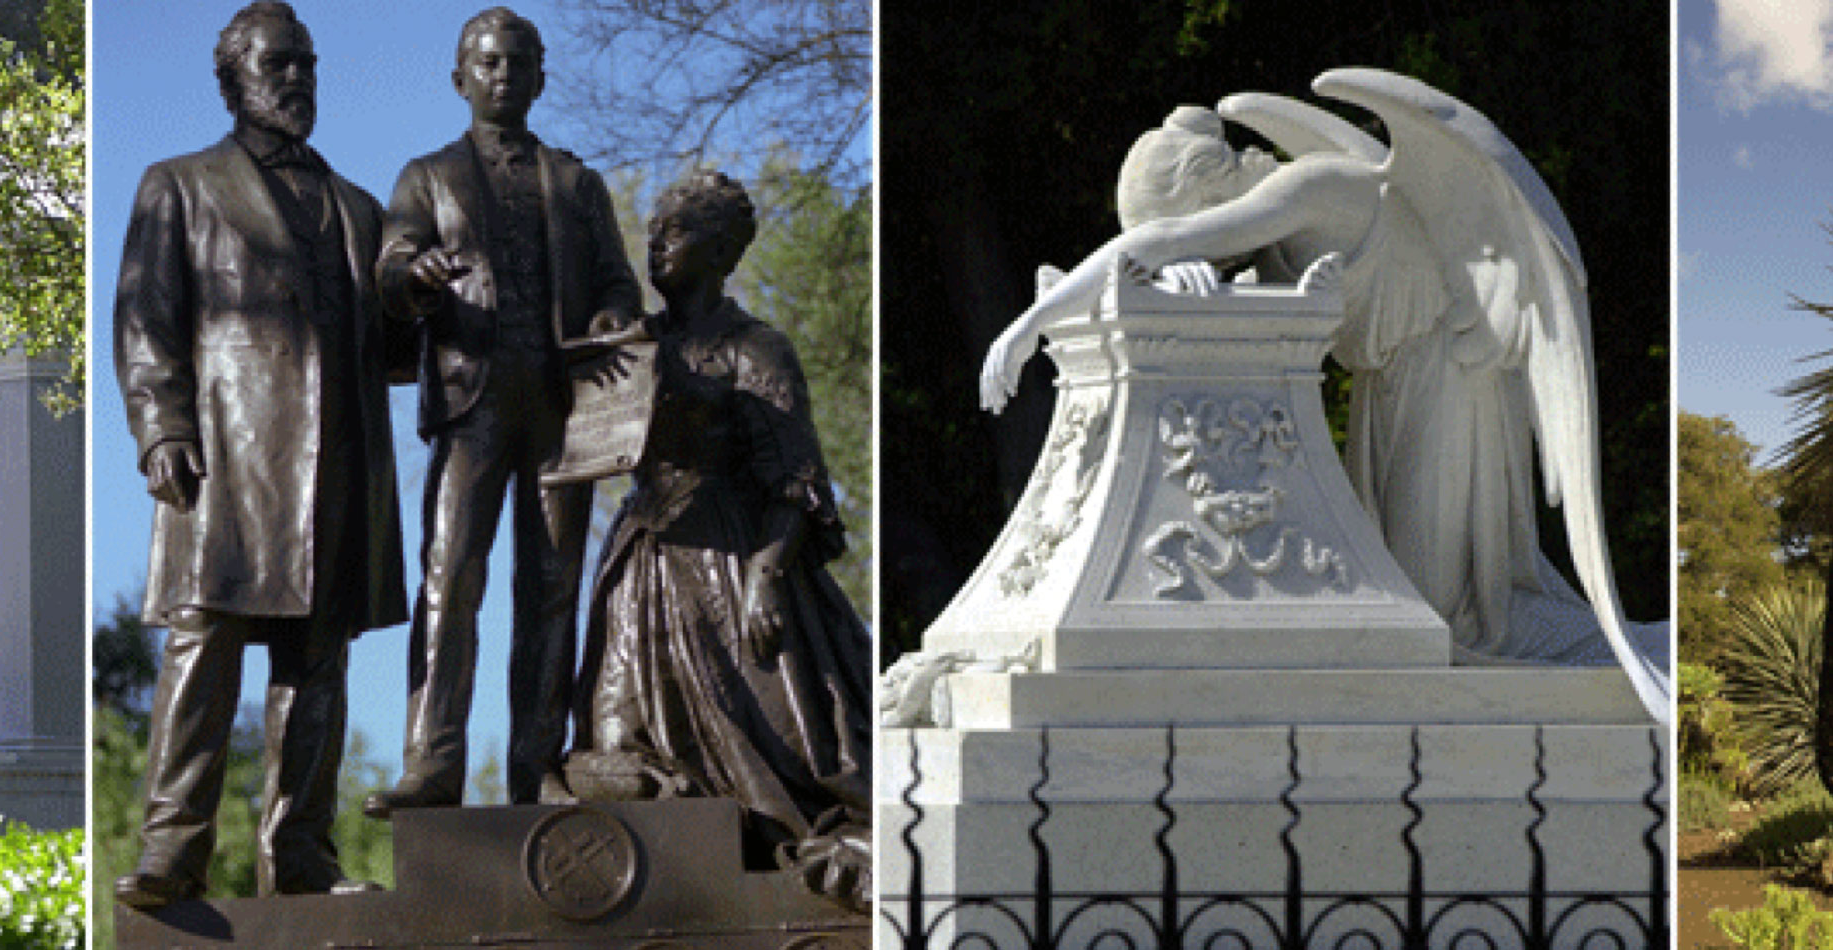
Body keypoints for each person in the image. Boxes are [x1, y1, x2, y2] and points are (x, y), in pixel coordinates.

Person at [979, 71, 1668, 718]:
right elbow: (1197, 267)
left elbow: (1160, 242)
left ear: (1208, 195)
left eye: (1205, 233)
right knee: (1417, 607)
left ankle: (1636, 654)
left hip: (1450, 382)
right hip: (1389, 391)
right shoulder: (1275, 229)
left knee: (1451, 614)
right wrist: (1187, 272)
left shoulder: (1310, 186)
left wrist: (1027, 327)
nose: (1216, 255)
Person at [112, 0, 407, 906]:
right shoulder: (182, 184)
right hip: (228, 464)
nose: (297, 79)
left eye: (307, 64)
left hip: (340, 464)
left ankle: (304, 858)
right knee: (203, 649)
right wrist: (162, 426)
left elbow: (393, 355)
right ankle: (173, 851)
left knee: (317, 667)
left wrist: (423, 302)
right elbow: (145, 319)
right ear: (232, 76)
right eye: (279, 63)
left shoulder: (359, 209)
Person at [363, 6, 641, 817]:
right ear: (460, 78)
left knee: (552, 587)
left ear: (541, 78)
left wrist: (609, 316)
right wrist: (416, 276)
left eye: (519, 63)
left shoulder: (576, 182)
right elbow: (390, 263)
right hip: (471, 399)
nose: (503, 75)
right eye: (487, 63)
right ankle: (433, 767)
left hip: (565, 408)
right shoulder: (427, 175)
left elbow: (619, 281)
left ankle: (539, 766)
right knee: (451, 580)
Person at [578, 170, 872, 904]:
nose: (656, 244)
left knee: (783, 747)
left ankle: (789, 838)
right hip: (643, 560)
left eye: (673, 231)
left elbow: (798, 482)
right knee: (609, 747)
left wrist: (766, 573)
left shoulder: (754, 347)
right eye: (653, 230)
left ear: (716, 249)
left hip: (727, 552)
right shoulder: (631, 343)